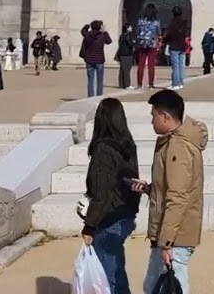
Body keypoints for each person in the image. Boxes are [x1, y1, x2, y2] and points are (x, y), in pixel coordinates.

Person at [132, 89, 208, 294]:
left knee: (170, 286)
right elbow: (173, 188)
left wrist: (166, 243)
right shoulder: (173, 143)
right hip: (171, 233)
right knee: (154, 286)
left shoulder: (177, 148)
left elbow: (178, 197)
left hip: (175, 235)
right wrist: (150, 189)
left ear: (165, 117)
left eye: (153, 116)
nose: (151, 121)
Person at [80, 97, 141, 294]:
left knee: (110, 278)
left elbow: (101, 193)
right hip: (125, 215)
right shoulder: (128, 146)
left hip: (109, 219)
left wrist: (89, 227)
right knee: (115, 272)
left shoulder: (104, 150)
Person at [79, 21, 112, 98]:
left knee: (90, 80)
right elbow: (109, 41)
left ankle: (90, 96)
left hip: (89, 59)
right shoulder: (102, 35)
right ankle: (99, 96)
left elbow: (83, 31)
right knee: (100, 81)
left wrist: (87, 25)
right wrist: (105, 32)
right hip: (99, 60)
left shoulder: (88, 35)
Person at [134, 4, 162, 90]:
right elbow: (159, 33)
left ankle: (139, 84)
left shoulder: (140, 21)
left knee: (141, 65)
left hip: (142, 44)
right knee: (151, 65)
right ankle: (151, 84)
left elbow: (137, 32)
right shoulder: (156, 22)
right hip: (152, 44)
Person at [166, 7, 190, 90]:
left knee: (175, 66)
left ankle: (175, 83)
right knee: (180, 65)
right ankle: (180, 82)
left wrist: (166, 41)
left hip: (174, 45)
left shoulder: (173, 22)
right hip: (182, 45)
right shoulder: (184, 22)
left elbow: (169, 34)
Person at [115, 24, 136, 90]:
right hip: (127, 54)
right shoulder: (128, 35)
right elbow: (129, 44)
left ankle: (121, 84)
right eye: (130, 27)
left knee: (122, 70)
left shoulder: (122, 35)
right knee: (127, 70)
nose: (131, 28)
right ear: (127, 28)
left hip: (122, 54)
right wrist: (133, 42)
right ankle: (127, 84)